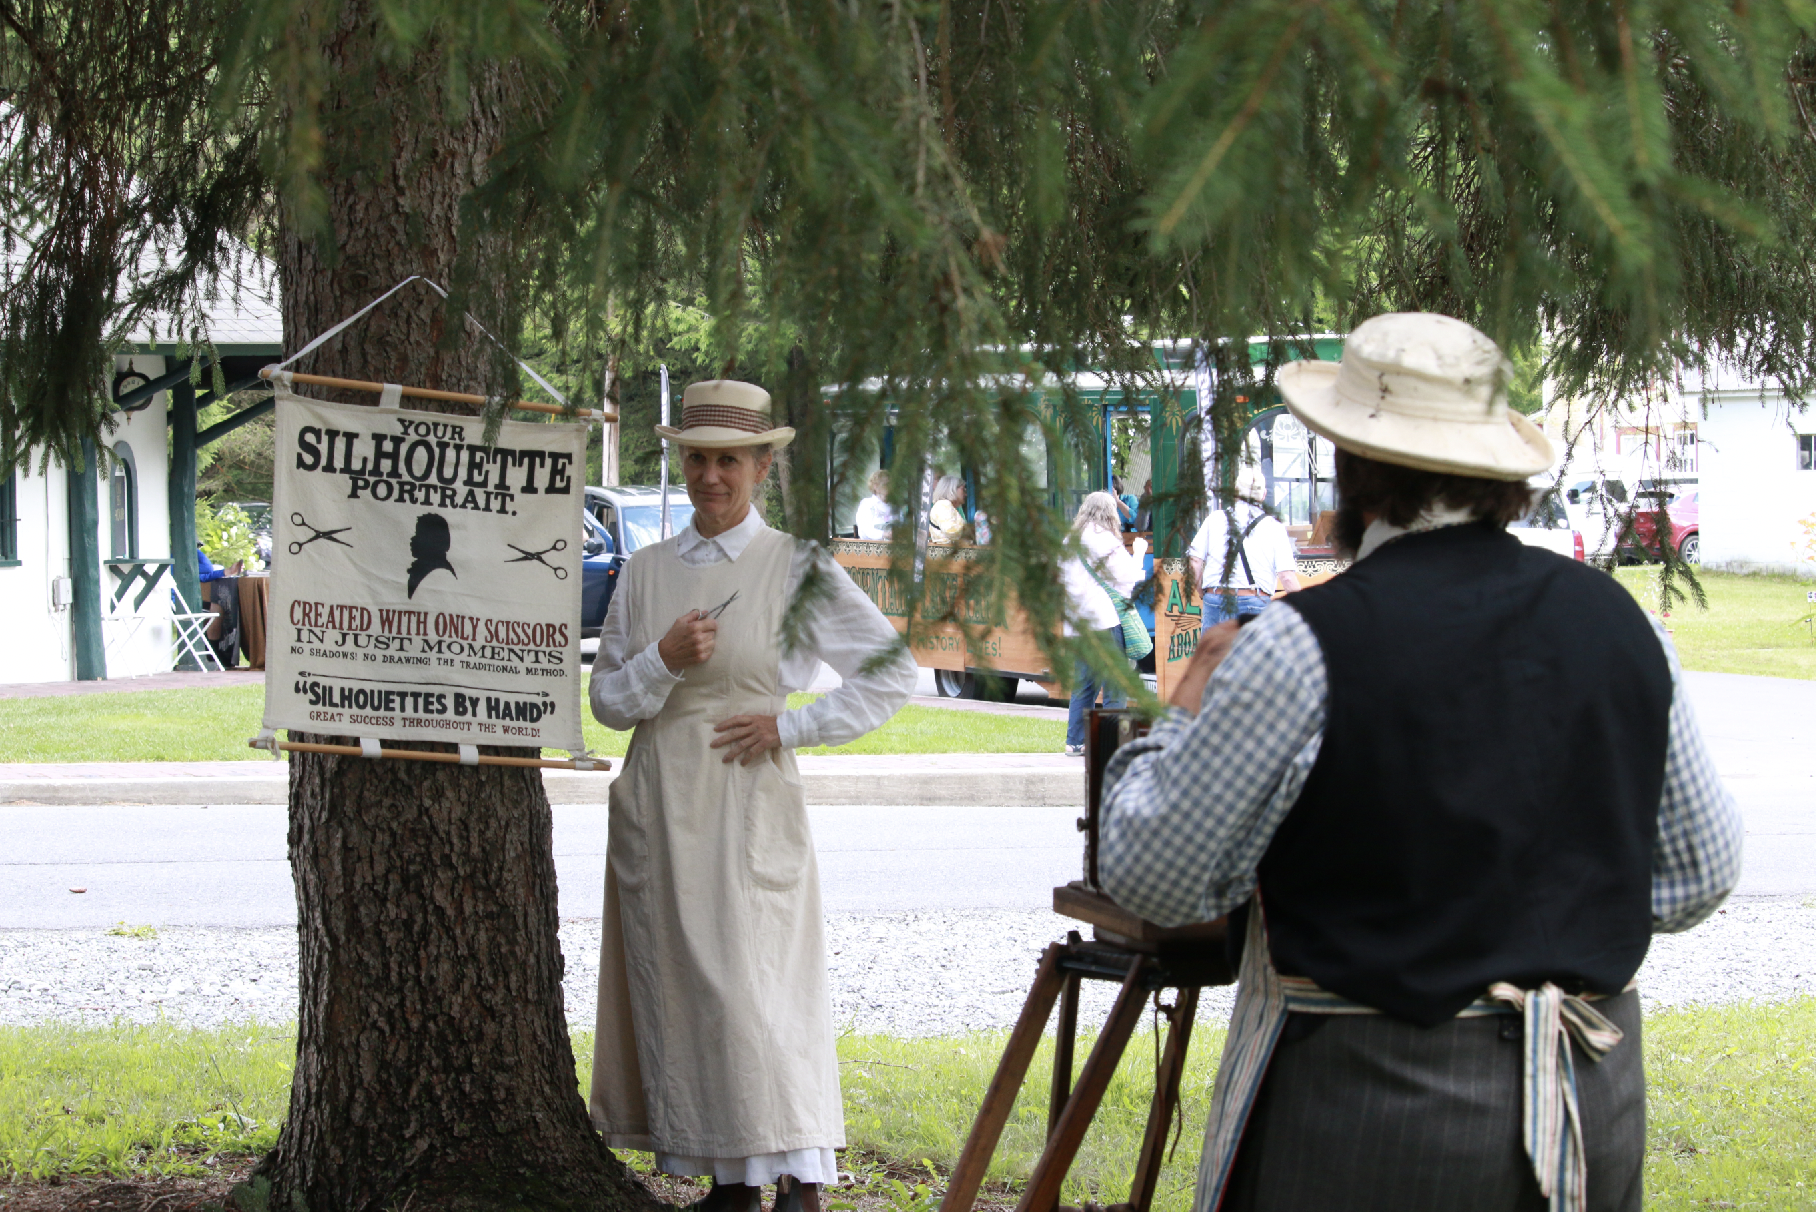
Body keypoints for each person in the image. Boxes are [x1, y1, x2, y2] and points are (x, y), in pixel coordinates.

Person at [1096, 313, 1743, 1212]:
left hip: (1374, 1107)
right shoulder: (1624, 626)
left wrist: (1174, 726)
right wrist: (1539, 923)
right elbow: (1697, 879)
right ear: (1504, 478)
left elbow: (1161, 883)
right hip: (1589, 1101)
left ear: (1354, 468)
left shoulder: (1300, 647)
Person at [588, 379, 918, 1212]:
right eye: (697, 458)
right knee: (687, 988)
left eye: (727, 459)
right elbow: (607, 703)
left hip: (748, 804)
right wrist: (662, 657)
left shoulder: (795, 566)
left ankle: (800, 1180)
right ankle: (730, 1180)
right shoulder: (647, 568)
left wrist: (790, 726)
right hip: (661, 804)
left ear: (761, 466)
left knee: (761, 986)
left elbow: (891, 673)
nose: (709, 476)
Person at [1060, 491, 1146, 757]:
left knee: (1083, 686)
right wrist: (1139, 553)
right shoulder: (1107, 541)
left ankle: (1074, 742)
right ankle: (1110, 744)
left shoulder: (1068, 541)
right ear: (1110, 513)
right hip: (1105, 622)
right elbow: (1129, 579)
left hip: (1077, 624)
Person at [1185, 466, 1299, 625]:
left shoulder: (1214, 519)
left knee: (1215, 650)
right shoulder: (1274, 527)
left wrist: (1202, 592)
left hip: (1215, 599)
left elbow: (1194, 562)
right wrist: (1305, 612)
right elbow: (1286, 576)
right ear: (1264, 495)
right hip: (1254, 602)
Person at [854, 469, 895, 540]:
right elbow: (866, 529)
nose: (889, 487)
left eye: (890, 484)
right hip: (871, 548)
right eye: (885, 484)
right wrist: (883, 534)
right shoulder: (867, 504)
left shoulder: (894, 506)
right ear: (875, 486)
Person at [927, 475, 967, 540]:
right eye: (963, 489)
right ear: (952, 489)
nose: (965, 494)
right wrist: (967, 529)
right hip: (945, 549)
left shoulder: (950, 506)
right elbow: (951, 531)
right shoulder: (943, 505)